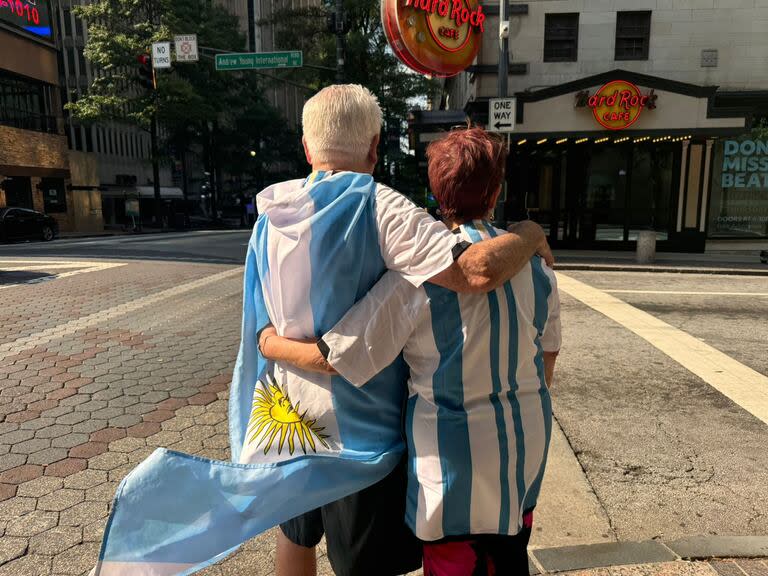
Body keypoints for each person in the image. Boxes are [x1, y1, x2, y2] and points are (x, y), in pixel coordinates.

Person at [243, 85, 553, 576]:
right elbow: (474, 271)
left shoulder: (271, 215)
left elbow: (257, 324)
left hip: (288, 415)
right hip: (360, 433)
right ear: (374, 146)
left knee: (294, 538)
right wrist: (532, 233)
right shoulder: (380, 204)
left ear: (307, 148)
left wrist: (269, 345)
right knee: (365, 565)